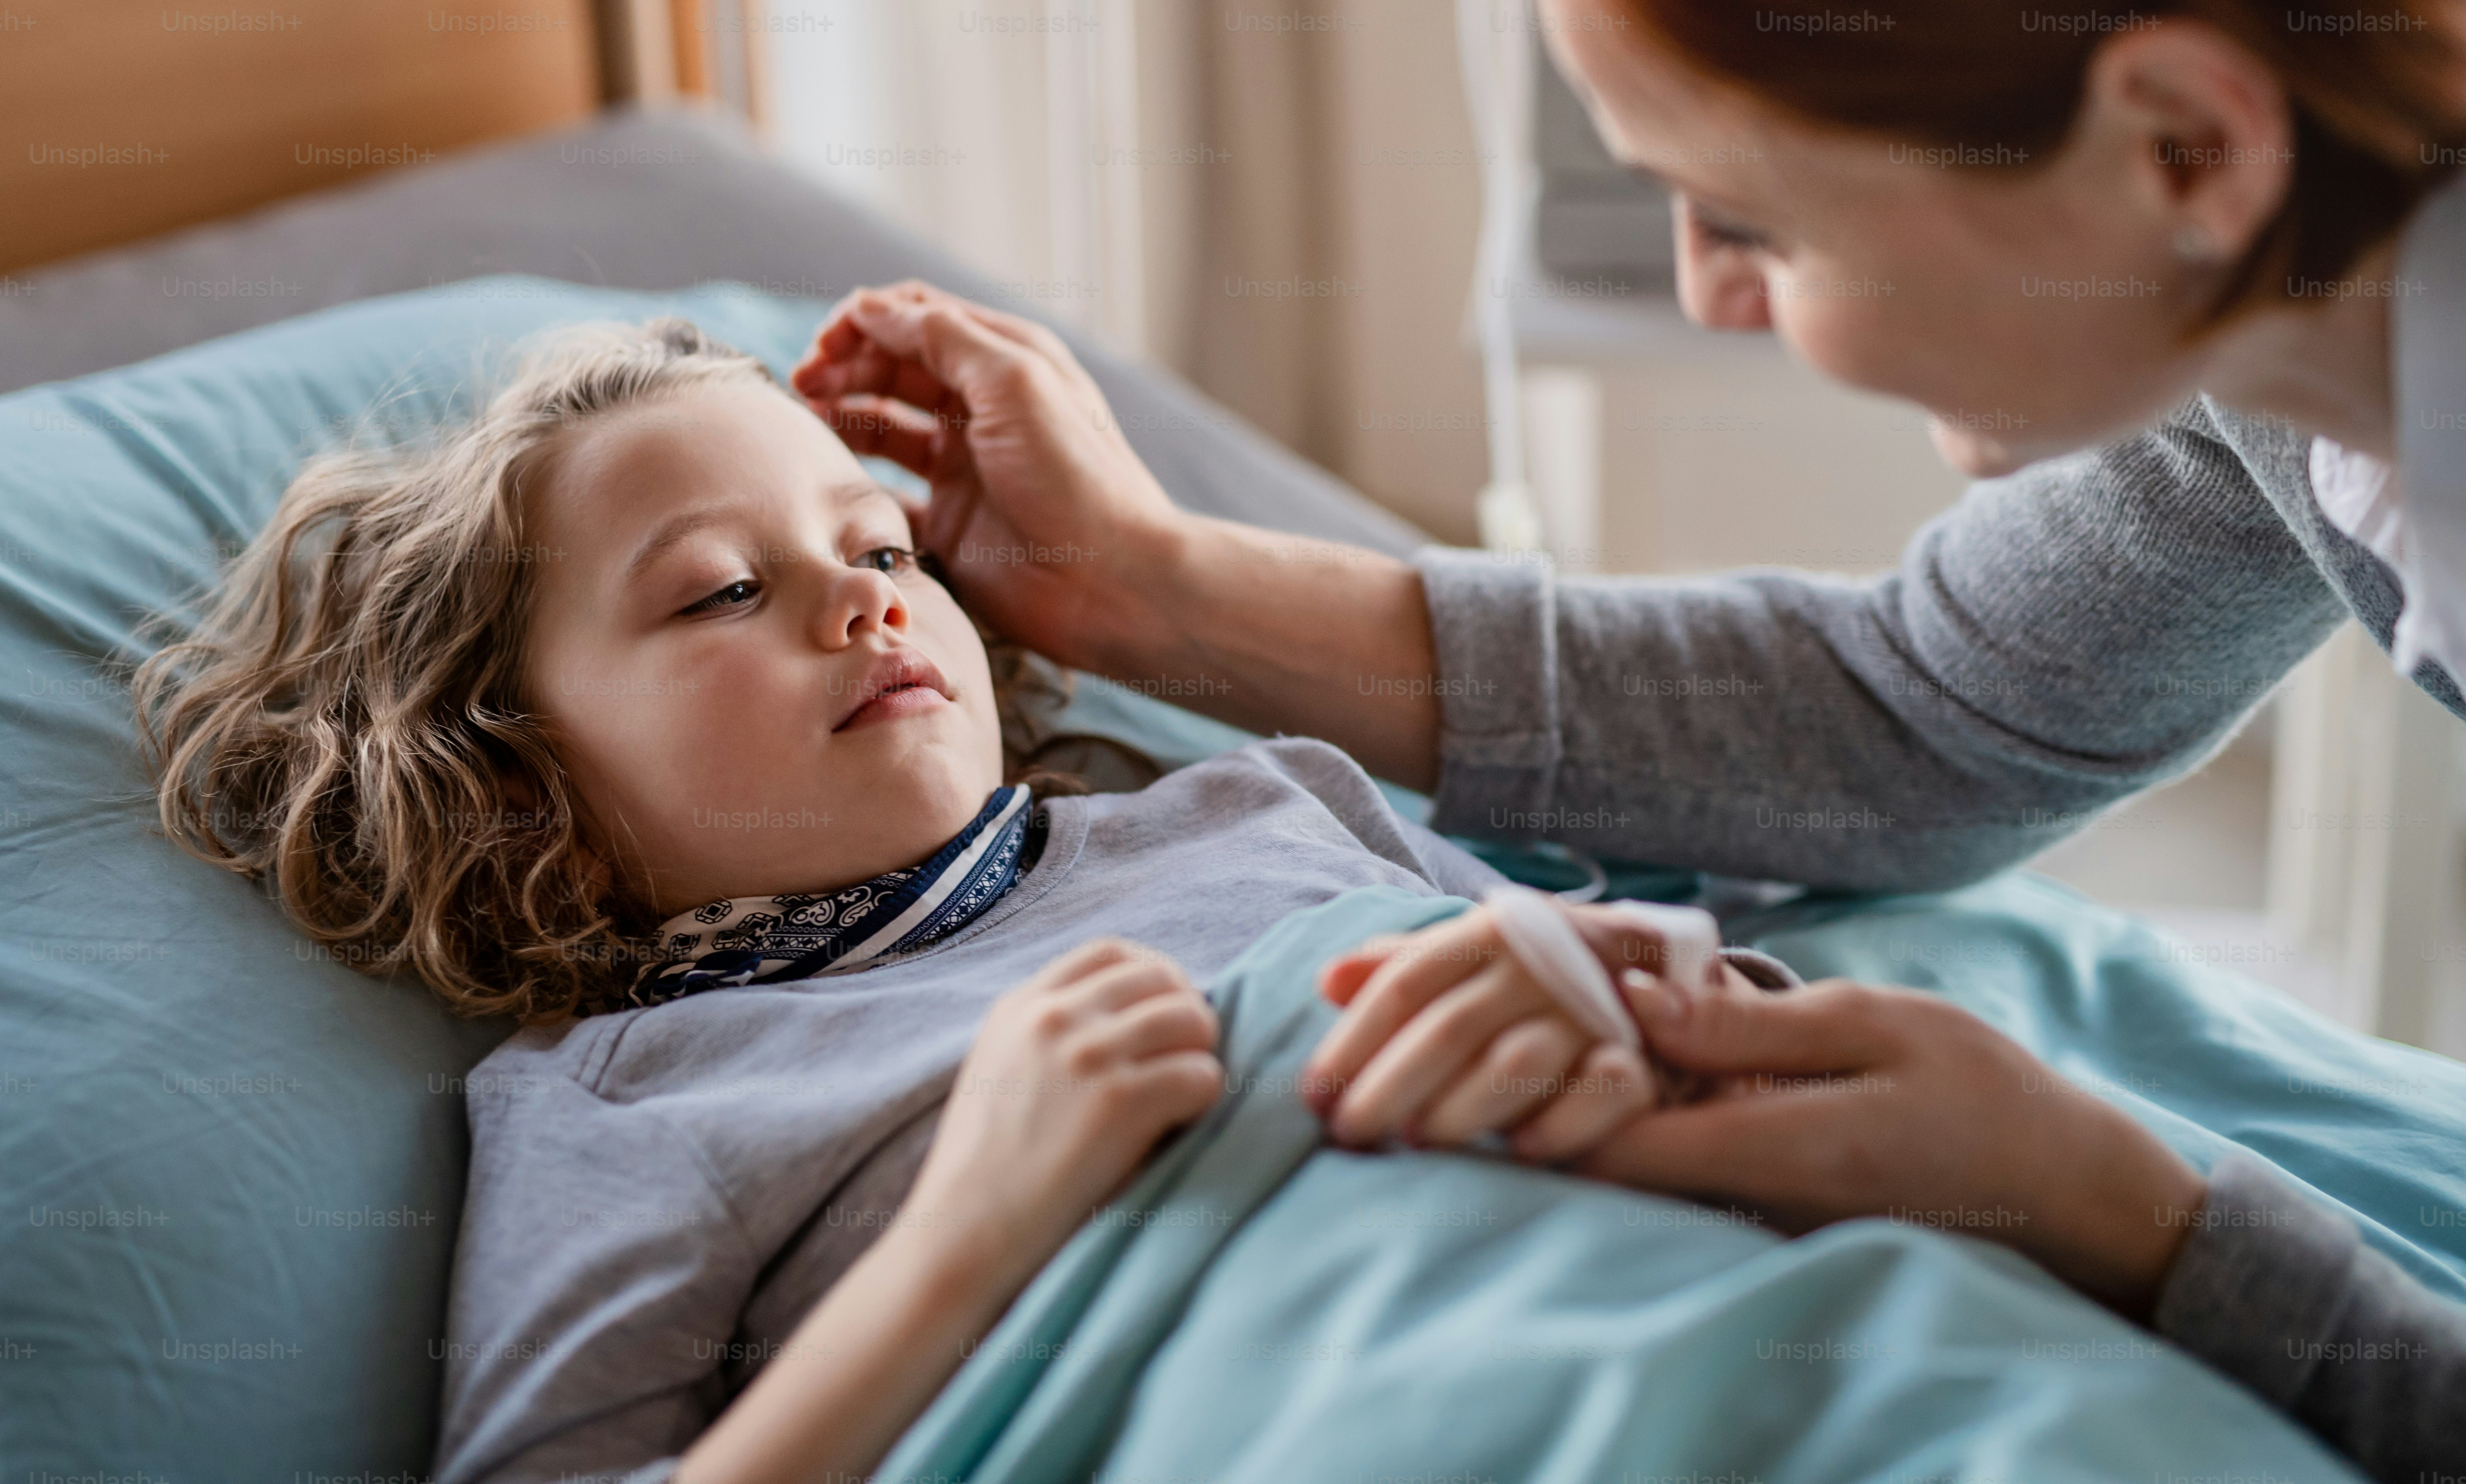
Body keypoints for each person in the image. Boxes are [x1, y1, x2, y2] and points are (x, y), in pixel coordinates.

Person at [782, 0, 2466, 1476]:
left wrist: (2126, 1213)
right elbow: (1917, 714)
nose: (1707, 292)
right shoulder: (2281, 342)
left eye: (1753, 221)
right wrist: (1156, 591)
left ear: (2185, 147)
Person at [134, 316, 1761, 1484]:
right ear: (513, 786)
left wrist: (1647, 993)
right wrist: (971, 1234)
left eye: (888, 548)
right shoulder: (636, 1105)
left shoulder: (1268, 799)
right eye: (724, 590)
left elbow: (1744, 1031)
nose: (864, 599)